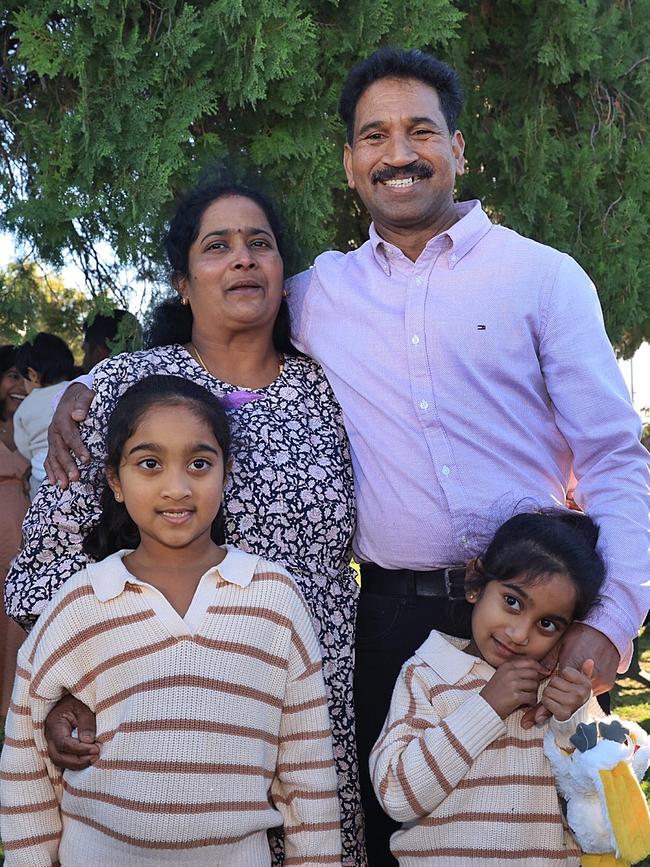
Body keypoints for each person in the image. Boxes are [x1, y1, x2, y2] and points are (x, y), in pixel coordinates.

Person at [34, 49, 650, 864]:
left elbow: (614, 459)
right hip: (389, 628)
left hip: (530, 618)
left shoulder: (543, 279)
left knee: (531, 835)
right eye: (374, 136)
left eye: (420, 130)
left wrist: (605, 624)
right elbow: (208, 327)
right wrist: (59, 405)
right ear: (350, 162)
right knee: (395, 835)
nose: (398, 152)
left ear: (458, 149)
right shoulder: (319, 292)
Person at [5, 181, 363, 865]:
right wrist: (61, 694)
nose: (243, 260)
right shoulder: (120, 387)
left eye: (260, 244)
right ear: (182, 281)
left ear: (284, 273)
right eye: (217, 246)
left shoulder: (326, 386)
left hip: (309, 720)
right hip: (156, 734)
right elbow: (40, 572)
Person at [0, 374, 342, 866]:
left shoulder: (273, 599)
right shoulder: (82, 601)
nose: (177, 487)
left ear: (226, 474)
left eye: (199, 463)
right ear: (115, 482)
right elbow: (26, 749)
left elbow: (307, 767)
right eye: (150, 464)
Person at [371, 509, 606, 866]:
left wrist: (574, 719)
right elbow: (397, 796)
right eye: (512, 602)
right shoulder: (428, 674)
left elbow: (603, 797)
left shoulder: (561, 690)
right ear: (475, 584)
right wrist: (486, 708)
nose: (519, 634)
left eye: (546, 623)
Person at [0, 345, 29, 716]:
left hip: (22, 534)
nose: (21, 384)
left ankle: (12, 705)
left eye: (25, 375)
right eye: (12, 375)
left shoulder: (38, 425)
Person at [13, 332, 75, 498]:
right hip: (78, 469)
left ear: (32, 375)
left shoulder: (24, 408)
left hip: (43, 477)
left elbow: (24, 447)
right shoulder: (76, 390)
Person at [81, 307, 142, 373]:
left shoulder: (87, 382)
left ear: (99, 354)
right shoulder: (148, 378)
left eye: (85, 352)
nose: (83, 362)